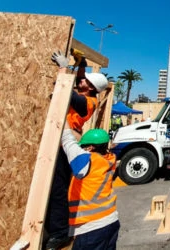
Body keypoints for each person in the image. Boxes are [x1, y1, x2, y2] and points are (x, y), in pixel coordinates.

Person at [45, 51, 109, 249]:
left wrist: (64, 69)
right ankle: (55, 227)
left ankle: (60, 232)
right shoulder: (83, 91)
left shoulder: (89, 102)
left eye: (84, 80)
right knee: (56, 186)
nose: (80, 81)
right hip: (60, 139)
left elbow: (68, 91)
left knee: (58, 187)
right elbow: (80, 80)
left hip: (67, 142)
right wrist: (81, 63)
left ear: (90, 87)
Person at [61, 122, 120, 249]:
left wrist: (61, 117)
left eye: (84, 147)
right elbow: (77, 141)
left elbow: (68, 141)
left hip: (91, 229)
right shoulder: (109, 158)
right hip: (111, 221)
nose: (81, 148)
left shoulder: (85, 161)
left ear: (90, 148)